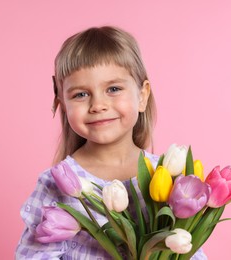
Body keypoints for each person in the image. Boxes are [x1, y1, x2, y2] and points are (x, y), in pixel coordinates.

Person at [15, 26, 207, 259]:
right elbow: (34, 255)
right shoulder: (57, 182)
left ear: (142, 96)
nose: (98, 105)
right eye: (80, 94)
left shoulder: (166, 176)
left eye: (113, 89)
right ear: (63, 104)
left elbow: (188, 247)